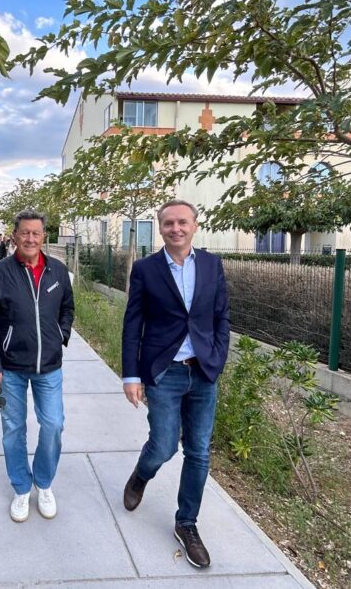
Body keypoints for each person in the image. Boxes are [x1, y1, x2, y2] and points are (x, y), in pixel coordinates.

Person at [120, 199, 230, 569]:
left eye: (182, 222)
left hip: (202, 371)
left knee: (198, 451)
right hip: (163, 372)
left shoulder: (213, 265)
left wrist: (217, 359)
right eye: (168, 223)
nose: (176, 229)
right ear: (161, 227)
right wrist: (131, 375)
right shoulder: (146, 269)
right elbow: (133, 323)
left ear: (195, 226)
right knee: (164, 445)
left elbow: (221, 317)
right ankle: (142, 474)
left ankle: (187, 523)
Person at [0, 210, 75, 523]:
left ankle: (43, 483)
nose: (30, 238)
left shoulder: (58, 271)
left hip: (49, 367)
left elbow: (68, 308)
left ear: (44, 236)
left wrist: (61, 334)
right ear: (15, 235)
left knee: (54, 424)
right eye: (24, 233)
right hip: (9, 369)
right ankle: (21, 487)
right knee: (13, 429)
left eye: (36, 233)